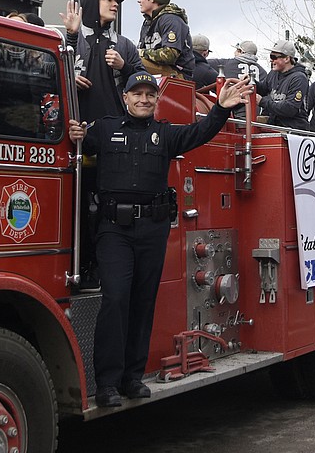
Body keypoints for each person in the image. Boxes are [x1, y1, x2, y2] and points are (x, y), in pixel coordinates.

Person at [67, 72, 253, 408]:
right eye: (136, 94)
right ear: (125, 98)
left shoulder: (164, 134)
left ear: (156, 100)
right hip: (113, 230)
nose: (143, 99)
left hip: (152, 231)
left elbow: (200, 133)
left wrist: (221, 110)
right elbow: (77, 142)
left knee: (142, 302)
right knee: (115, 299)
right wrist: (75, 132)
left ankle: (132, 378)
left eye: (149, 95)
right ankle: (107, 383)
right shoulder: (105, 129)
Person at [61, 0, 144, 291]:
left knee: (109, 206)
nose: (115, 4)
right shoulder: (73, 39)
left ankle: (106, 268)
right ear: (90, 3)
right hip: (77, 137)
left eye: (116, 0)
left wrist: (126, 66)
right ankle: (79, 267)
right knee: (78, 205)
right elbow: (55, 73)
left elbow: (143, 83)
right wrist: (72, 70)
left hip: (115, 139)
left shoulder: (124, 44)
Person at [136, 0, 194, 79]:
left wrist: (140, 53)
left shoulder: (171, 20)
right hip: (159, 72)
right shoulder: (148, 22)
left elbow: (169, 54)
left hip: (178, 75)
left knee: (129, 61)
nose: (139, 0)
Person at [256, 40, 310, 130]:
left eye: (273, 57)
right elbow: (263, 89)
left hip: (293, 132)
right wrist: (251, 82)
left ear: (286, 59)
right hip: (275, 127)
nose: (271, 60)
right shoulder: (273, 74)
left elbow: (290, 109)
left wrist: (262, 102)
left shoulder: (299, 78)